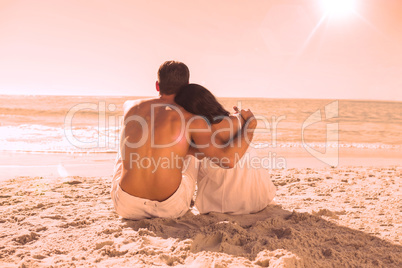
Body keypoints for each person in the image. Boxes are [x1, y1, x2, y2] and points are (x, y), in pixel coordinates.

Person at [111, 61, 257, 220]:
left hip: (126, 206)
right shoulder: (192, 119)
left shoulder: (130, 107)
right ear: (187, 86)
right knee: (191, 149)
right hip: (170, 208)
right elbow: (228, 161)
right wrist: (250, 126)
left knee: (127, 145)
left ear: (157, 86)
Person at [174, 84, 276, 215]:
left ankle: (183, 199)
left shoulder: (199, 131)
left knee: (189, 156)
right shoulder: (240, 119)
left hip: (223, 205)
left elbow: (226, 160)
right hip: (259, 200)